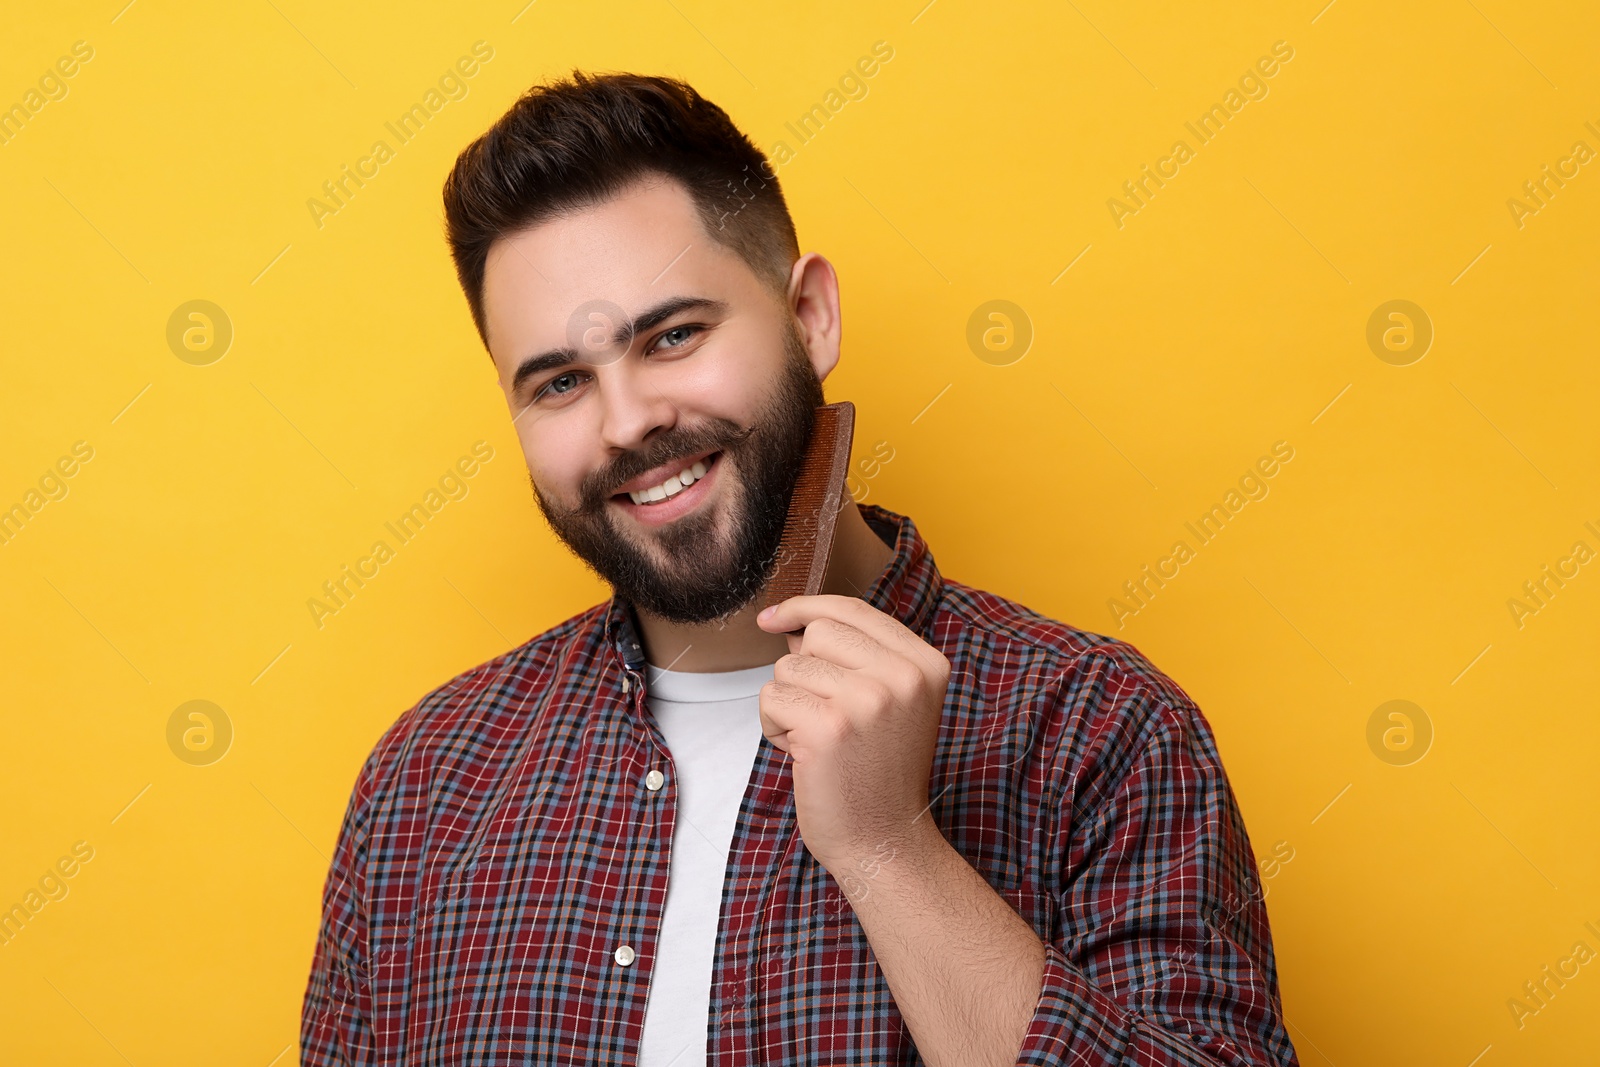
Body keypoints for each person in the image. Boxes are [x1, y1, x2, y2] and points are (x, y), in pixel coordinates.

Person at [301, 70, 1299, 1067]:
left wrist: (889, 846)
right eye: (560, 382)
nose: (627, 420)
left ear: (811, 315)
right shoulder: (424, 784)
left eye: (674, 335)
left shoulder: (1096, 730)